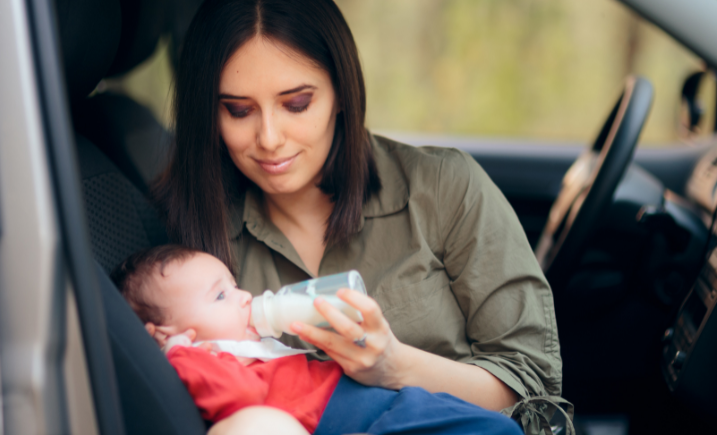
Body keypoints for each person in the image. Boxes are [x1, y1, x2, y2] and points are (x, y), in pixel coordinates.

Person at [152, 0, 570, 433]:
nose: (270, 139)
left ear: (340, 94)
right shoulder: (192, 243)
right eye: (239, 110)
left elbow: (532, 389)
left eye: (296, 104)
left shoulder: (444, 188)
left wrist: (394, 365)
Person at [112, 244, 525, 435]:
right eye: (220, 295)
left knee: (493, 429)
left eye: (235, 285)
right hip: (353, 417)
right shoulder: (198, 358)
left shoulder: (242, 346)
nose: (242, 298)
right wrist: (180, 350)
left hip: (379, 404)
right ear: (167, 333)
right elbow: (237, 399)